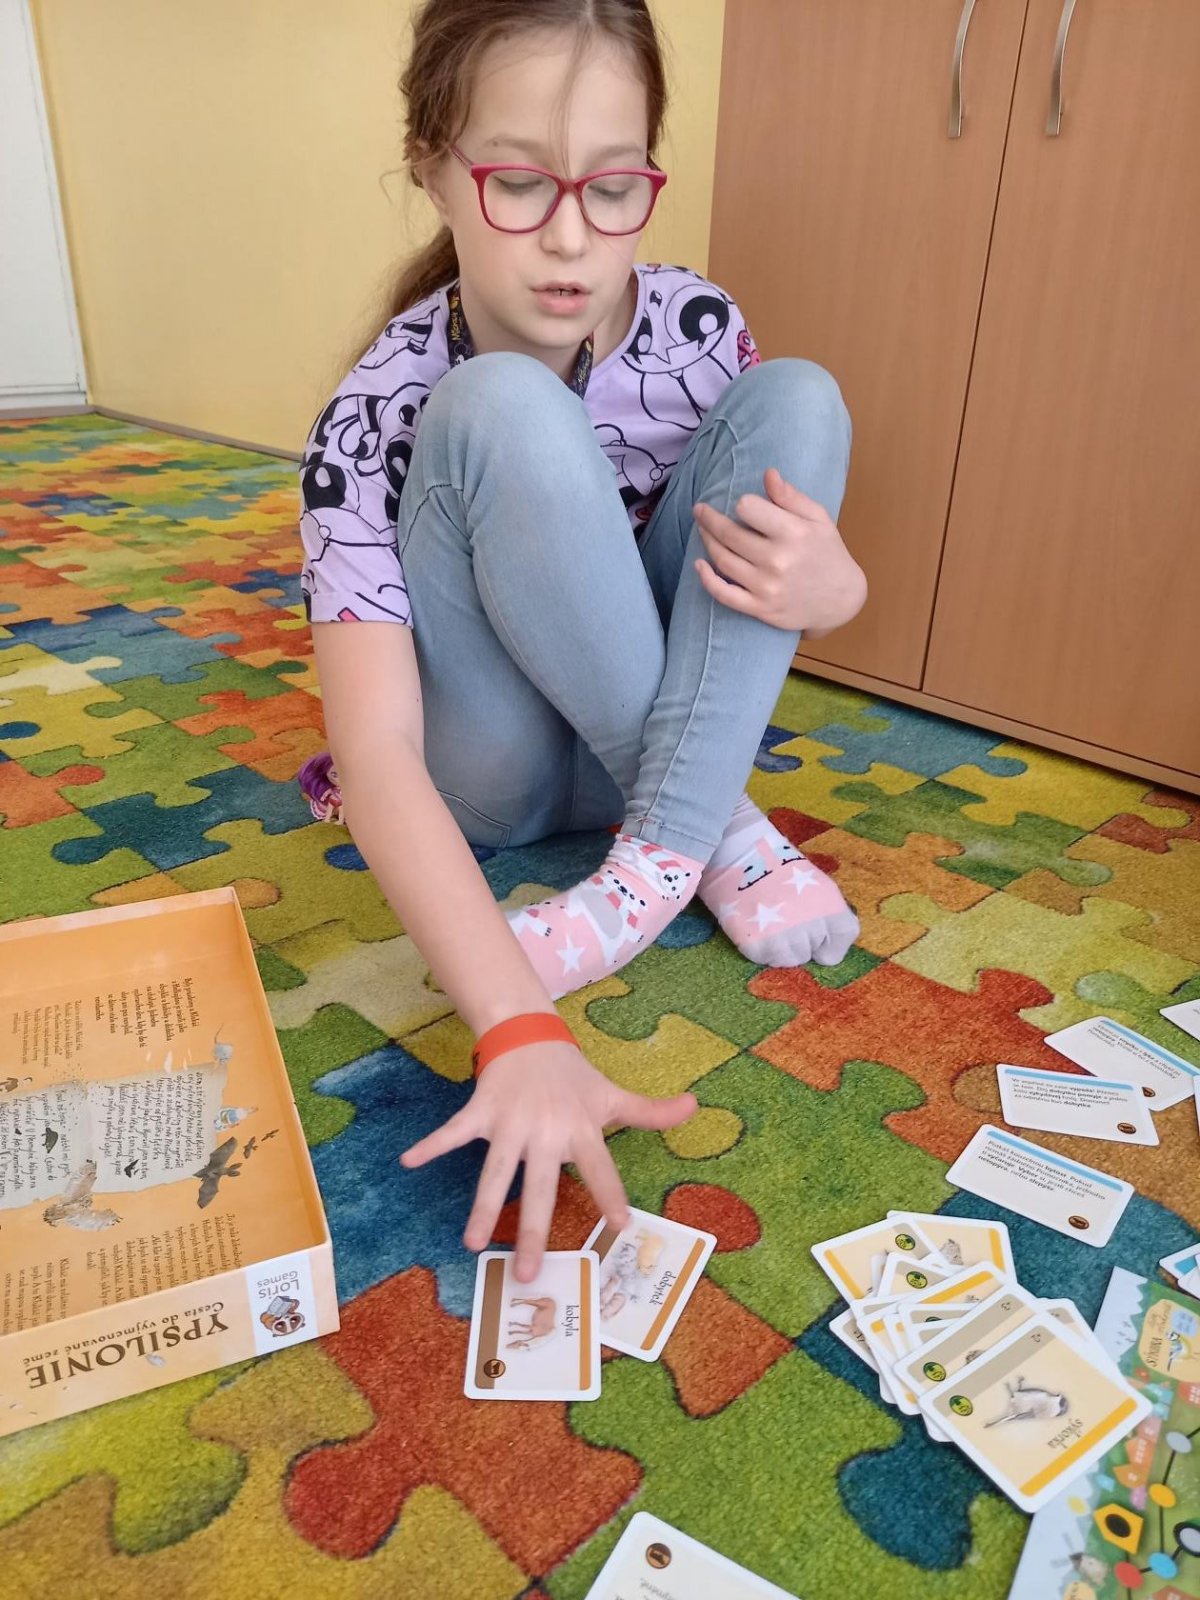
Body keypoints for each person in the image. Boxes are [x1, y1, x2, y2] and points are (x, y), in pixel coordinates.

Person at [297, 0, 867, 1284]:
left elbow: (750, 573)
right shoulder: (371, 413)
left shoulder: (696, 332)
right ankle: (711, 833)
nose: (571, 238)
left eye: (612, 189)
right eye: (516, 183)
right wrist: (512, 1025)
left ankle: (653, 860)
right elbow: (375, 754)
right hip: (494, 775)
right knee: (501, 406)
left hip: (642, 754)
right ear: (431, 168)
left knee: (800, 397)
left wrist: (837, 591)